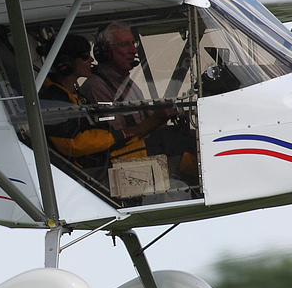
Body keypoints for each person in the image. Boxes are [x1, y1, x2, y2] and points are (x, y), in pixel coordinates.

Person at [80, 23, 198, 184]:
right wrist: (157, 119)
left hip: (141, 149)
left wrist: (163, 115)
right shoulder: (96, 87)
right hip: (120, 159)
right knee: (186, 145)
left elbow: (148, 123)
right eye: (125, 45)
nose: (133, 50)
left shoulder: (128, 84)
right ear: (104, 52)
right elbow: (117, 137)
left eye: (133, 44)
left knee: (192, 138)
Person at [37, 35, 128, 172]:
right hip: (80, 172)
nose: (92, 60)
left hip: (96, 163)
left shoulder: (74, 93)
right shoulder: (52, 99)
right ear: (66, 63)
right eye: (85, 56)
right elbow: (73, 144)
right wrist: (120, 135)